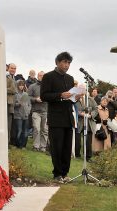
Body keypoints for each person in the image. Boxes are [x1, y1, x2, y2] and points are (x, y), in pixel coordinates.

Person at [40, 51, 82, 183]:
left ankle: (65, 173)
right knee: (57, 147)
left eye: (69, 63)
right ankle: (57, 174)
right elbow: (44, 96)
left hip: (68, 117)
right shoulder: (48, 77)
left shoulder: (70, 78)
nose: (67, 65)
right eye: (64, 62)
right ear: (57, 62)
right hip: (55, 118)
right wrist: (60, 95)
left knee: (67, 147)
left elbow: (70, 98)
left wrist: (76, 97)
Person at [28, 71, 48, 152]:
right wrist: (36, 99)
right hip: (36, 111)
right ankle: (36, 146)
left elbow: (51, 97)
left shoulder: (48, 87)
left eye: (43, 76)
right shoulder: (32, 86)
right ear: (38, 76)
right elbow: (28, 97)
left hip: (45, 111)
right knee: (36, 128)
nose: (41, 77)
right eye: (40, 75)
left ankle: (43, 147)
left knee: (44, 130)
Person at [14, 80, 31, 149]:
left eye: (22, 85)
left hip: (26, 115)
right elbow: (13, 104)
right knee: (19, 130)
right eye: (20, 85)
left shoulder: (26, 94)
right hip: (18, 115)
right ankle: (18, 145)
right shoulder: (15, 94)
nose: (21, 86)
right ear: (17, 86)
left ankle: (24, 145)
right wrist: (18, 104)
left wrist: (28, 111)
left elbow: (29, 104)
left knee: (25, 131)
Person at [6, 63, 17, 145]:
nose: (13, 69)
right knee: (6, 124)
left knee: (9, 125)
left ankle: (7, 142)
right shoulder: (6, 77)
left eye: (14, 68)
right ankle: (5, 143)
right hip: (6, 103)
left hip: (12, 104)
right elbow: (2, 88)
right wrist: (13, 90)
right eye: (12, 68)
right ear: (8, 68)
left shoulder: (14, 78)